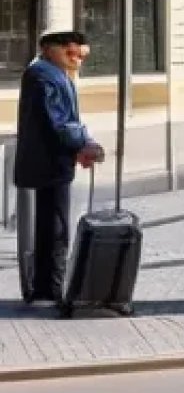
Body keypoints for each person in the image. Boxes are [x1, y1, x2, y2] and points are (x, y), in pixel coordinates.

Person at [13, 29, 105, 304]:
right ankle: (49, 290)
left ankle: (48, 287)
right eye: (72, 51)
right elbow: (59, 121)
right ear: (50, 48)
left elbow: (65, 120)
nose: (78, 58)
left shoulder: (54, 73)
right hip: (48, 164)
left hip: (53, 162)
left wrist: (81, 143)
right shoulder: (44, 75)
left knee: (53, 225)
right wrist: (83, 143)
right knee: (55, 228)